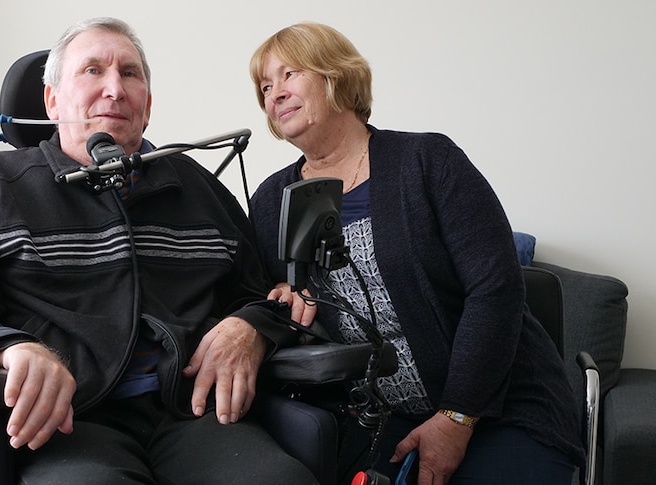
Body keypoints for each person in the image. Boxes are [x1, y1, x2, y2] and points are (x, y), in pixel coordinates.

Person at [0, 17, 317, 485]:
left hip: (191, 414)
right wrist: (11, 349)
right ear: (52, 101)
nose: (114, 89)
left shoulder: (200, 188)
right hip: (71, 423)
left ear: (148, 106)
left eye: (130, 73)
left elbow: (258, 291)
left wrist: (250, 325)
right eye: (92, 70)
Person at [247, 22, 585, 485]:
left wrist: (457, 416)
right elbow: (273, 297)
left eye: (289, 75)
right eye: (266, 86)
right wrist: (284, 294)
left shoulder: (427, 161)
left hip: (500, 407)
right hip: (379, 417)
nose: (275, 94)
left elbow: (496, 288)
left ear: (336, 75)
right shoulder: (271, 201)